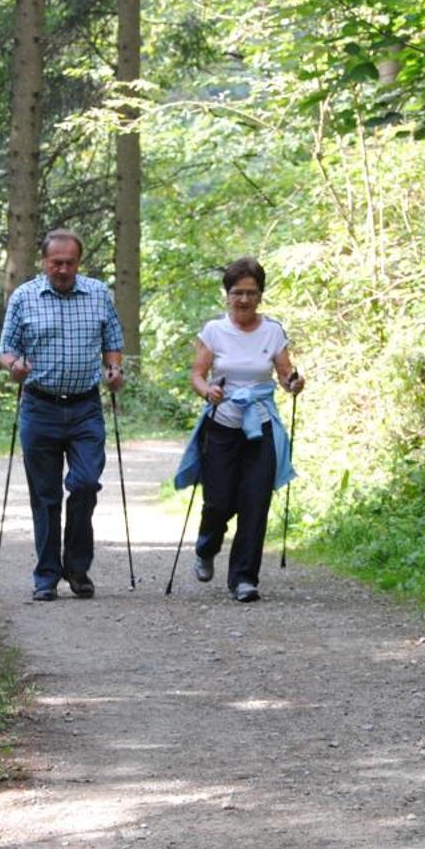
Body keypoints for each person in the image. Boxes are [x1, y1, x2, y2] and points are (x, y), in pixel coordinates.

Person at [0, 230, 127, 601]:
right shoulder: (24, 297)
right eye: (57, 262)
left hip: (86, 406)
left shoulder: (99, 294)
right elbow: (7, 350)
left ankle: (77, 566)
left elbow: (112, 343)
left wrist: (114, 370)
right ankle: (47, 575)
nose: (63, 269)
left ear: (78, 263)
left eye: (70, 262)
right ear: (44, 262)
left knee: (85, 484)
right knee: (46, 495)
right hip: (40, 407)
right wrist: (15, 367)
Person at [174, 257, 304, 603]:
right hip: (222, 424)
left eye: (251, 293)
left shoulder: (273, 331)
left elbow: (284, 372)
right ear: (227, 295)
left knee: (255, 502)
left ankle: (244, 579)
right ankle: (206, 547)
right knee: (218, 501)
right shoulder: (214, 331)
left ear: (261, 295)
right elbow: (197, 375)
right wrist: (208, 391)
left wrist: (293, 383)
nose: (244, 299)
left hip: (259, 427)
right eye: (237, 293)